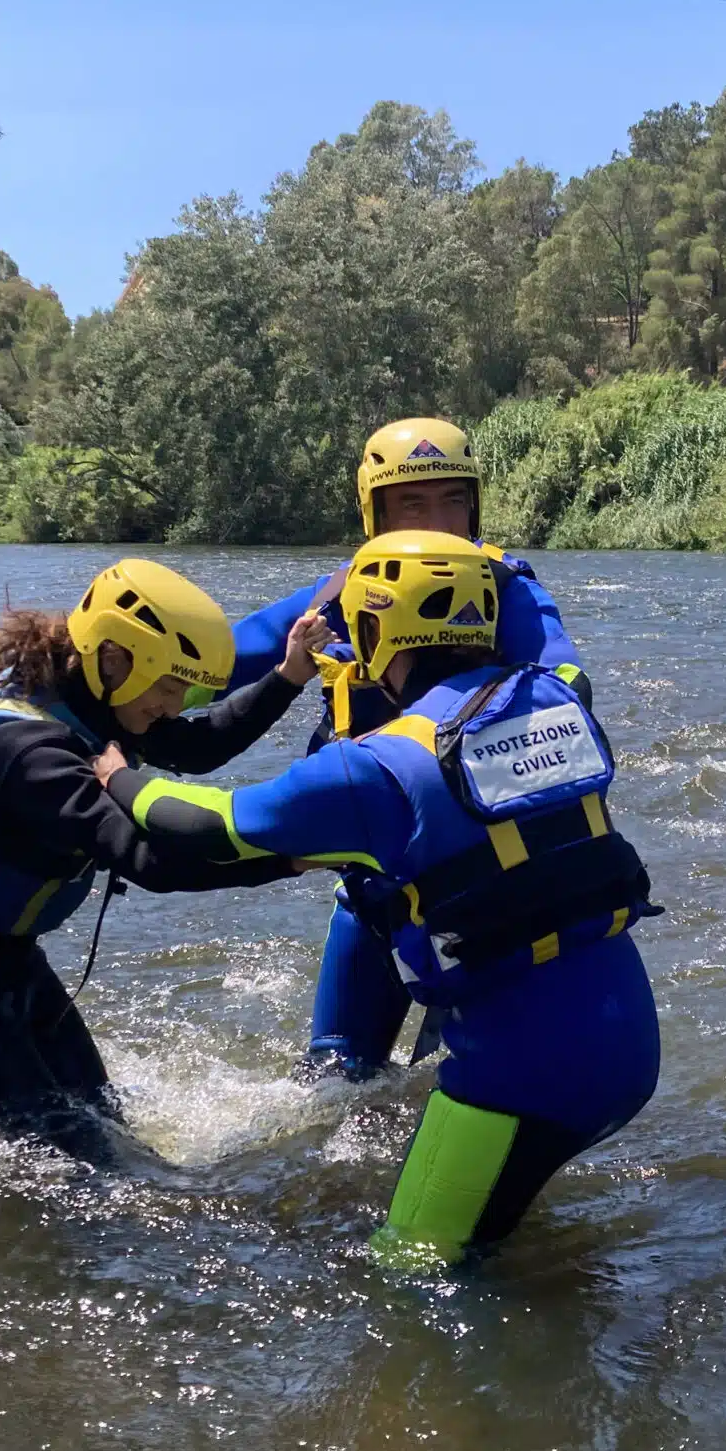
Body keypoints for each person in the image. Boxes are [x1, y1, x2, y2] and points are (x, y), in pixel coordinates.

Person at [106, 531, 660, 1268]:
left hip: (518, 1080)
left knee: (409, 1275)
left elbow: (205, 825)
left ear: (376, 630)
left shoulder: (374, 769)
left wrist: (113, 770)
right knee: (505, 1240)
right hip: (630, 1049)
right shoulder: (555, 700)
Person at [0, 558, 328, 1162]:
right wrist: (294, 858)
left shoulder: (95, 698)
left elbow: (198, 747)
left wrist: (290, 674)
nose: (173, 707)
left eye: (182, 691)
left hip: (10, 963)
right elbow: (151, 859)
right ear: (114, 657)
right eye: (169, 687)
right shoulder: (24, 750)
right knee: (75, 1161)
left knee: (106, 1125)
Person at [228, 417, 588, 1081]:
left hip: (478, 896)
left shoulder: (504, 588)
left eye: (454, 500)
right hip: (372, 886)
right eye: (414, 503)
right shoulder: (344, 593)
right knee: (332, 1084)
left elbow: (567, 686)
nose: (440, 520)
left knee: (458, 1082)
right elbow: (221, 657)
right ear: (376, 513)